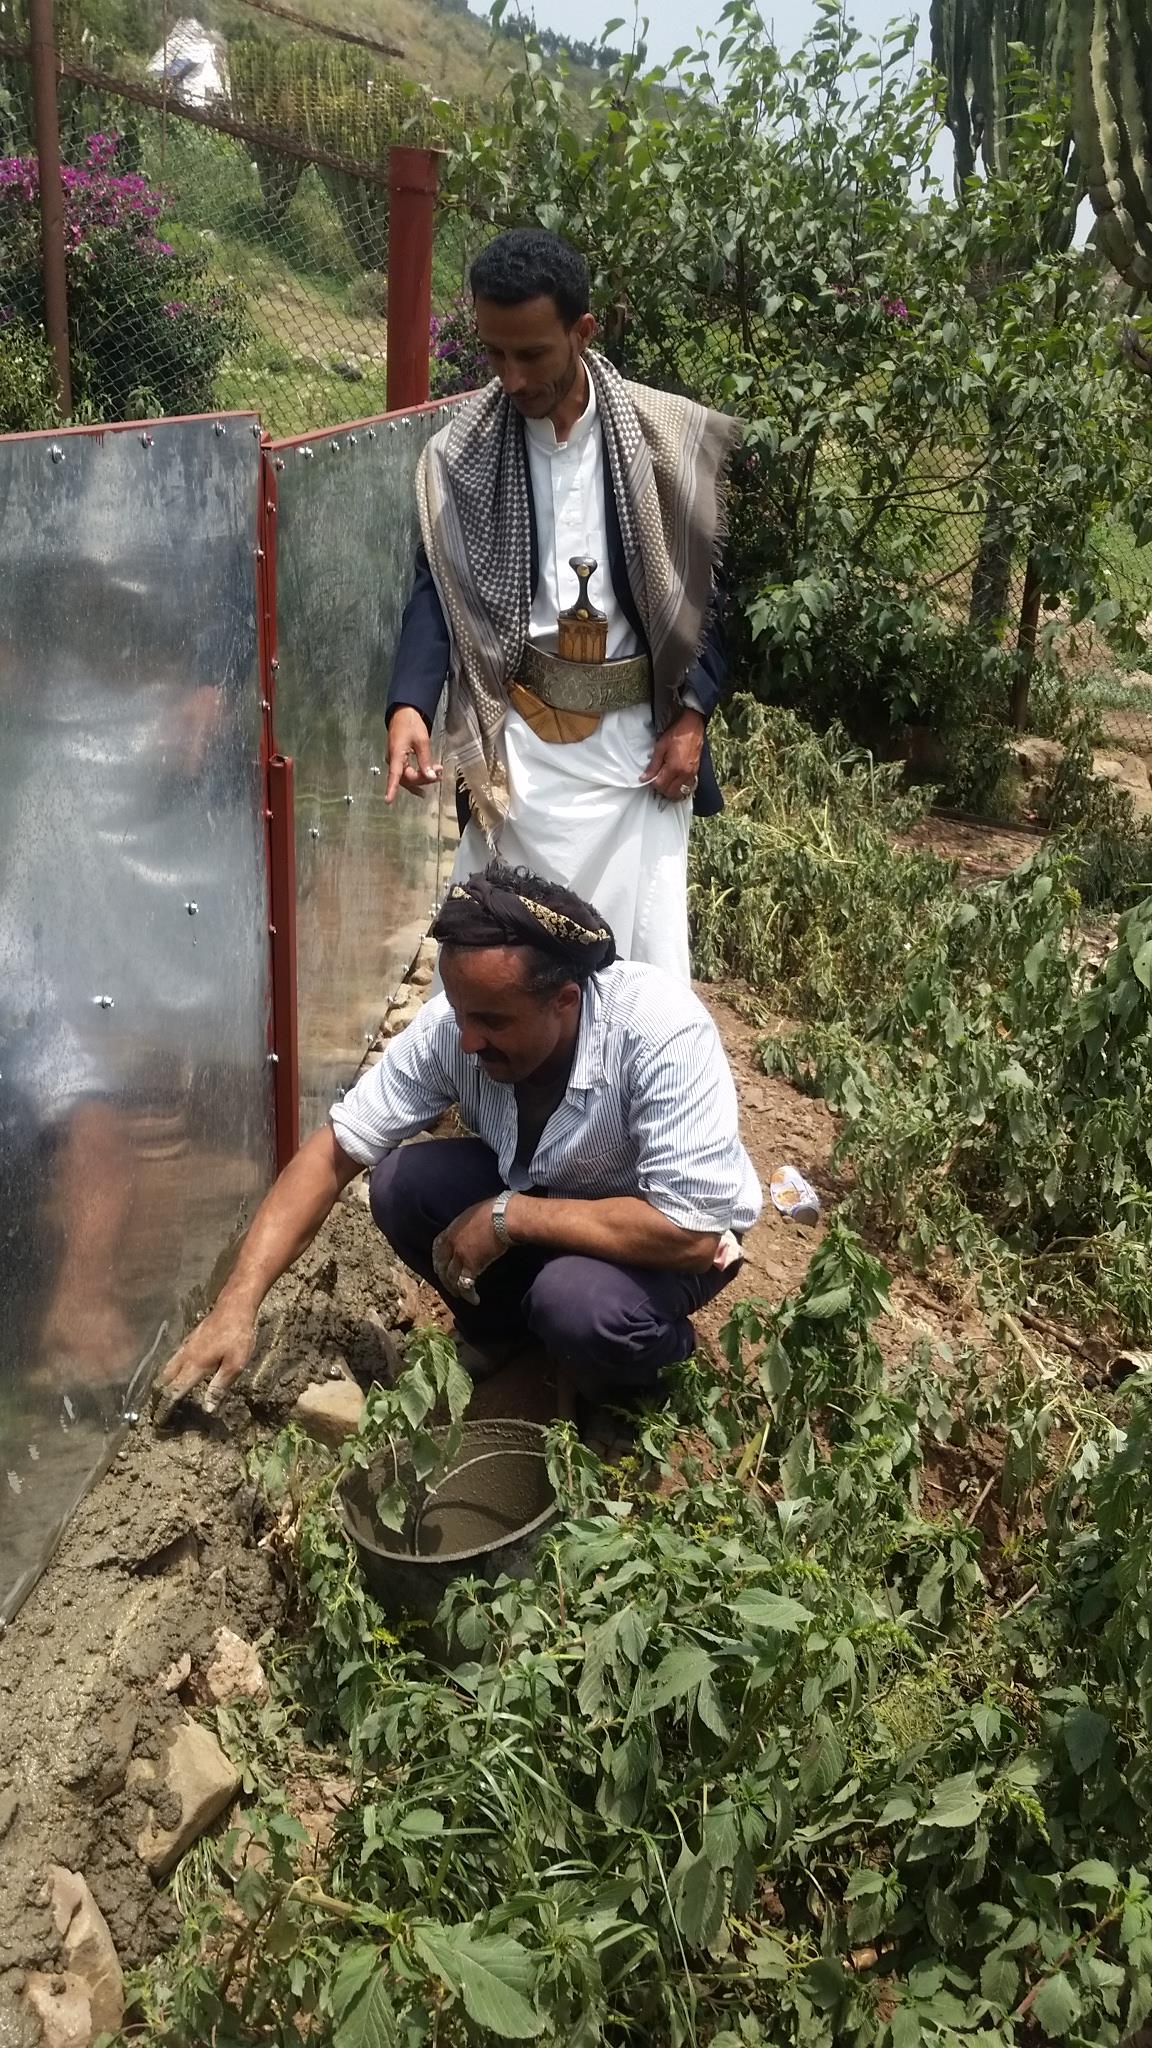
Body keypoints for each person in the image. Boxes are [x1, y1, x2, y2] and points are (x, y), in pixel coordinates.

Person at [156, 864, 762, 1423]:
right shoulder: (454, 1028)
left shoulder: (659, 1031)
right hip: (549, 1190)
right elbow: (333, 1151)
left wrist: (509, 1216)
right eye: (463, 1014)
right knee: (402, 1186)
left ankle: (651, 1362)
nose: (469, 1041)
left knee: (578, 1306)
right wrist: (236, 1302)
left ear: (564, 1001)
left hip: (658, 1232)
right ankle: (503, 1331)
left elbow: (690, 1233)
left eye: (494, 1022)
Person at [384, 228, 742, 982]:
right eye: (494, 354)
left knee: (634, 968)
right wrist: (410, 706)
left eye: (532, 354)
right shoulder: (461, 455)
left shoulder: (662, 437)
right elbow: (436, 587)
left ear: (583, 332)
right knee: (502, 957)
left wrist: (693, 715)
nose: (510, 379)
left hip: (635, 759)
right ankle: (502, 1098)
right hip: (520, 754)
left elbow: (709, 593)